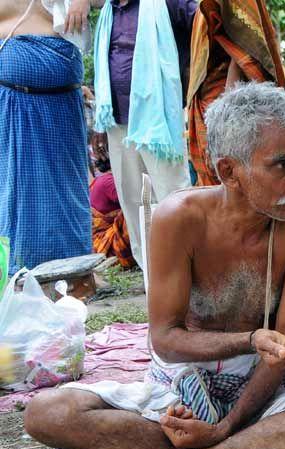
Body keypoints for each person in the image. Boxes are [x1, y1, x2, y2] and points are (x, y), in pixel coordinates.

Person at [24, 83, 285, 449]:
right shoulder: (180, 217)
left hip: (259, 391)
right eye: (281, 165)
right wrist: (250, 339)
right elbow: (165, 339)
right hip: (178, 388)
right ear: (229, 172)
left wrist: (226, 425)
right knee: (47, 414)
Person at [88, 0, 196, 270]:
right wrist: (100, 126)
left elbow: (205, 22)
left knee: (173, 197)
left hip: (158, 123)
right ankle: (153, 277)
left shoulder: (165, 3)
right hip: (117, 124)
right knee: (133, 201)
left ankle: (189, 271)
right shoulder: (107, 12)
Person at [1, 0, 93, 275]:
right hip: (12, 104)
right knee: (15, 191)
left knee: (66, 192)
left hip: (59, 102)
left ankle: (71, 274)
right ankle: (19, 273)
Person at [186, 0, 285, 186]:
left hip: (232, 101)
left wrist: (224, 121)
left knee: (236, 175)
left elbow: (242, 52)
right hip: (212, 96)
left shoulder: (239, 7)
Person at [90, 156, 134, 268]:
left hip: (100, 239)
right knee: (132, 215)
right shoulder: (108, 181)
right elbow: (132, 200)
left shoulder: (102, 179)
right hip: (105, 241)